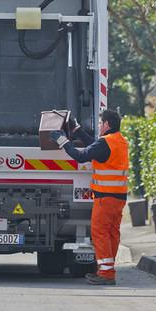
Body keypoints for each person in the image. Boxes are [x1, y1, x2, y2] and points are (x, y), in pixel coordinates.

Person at [49, 109, 128, 285]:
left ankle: (106, 275)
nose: (99, 126)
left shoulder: (105, 142)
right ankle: (108, 270)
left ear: (106, 125)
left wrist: (62, 141)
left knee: (99, 233)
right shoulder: (120, 141)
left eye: (100, 123)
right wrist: (77, 130)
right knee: (112, 234)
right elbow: (94, 146)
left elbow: (81, 156)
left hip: (105, 197)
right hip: (119, 197)